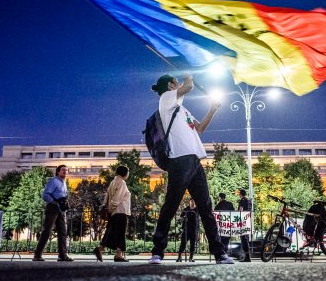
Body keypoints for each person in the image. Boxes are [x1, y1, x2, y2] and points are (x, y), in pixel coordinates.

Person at [148, 74, 233, 265]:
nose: (179, 83)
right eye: (176, 81)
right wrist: (189, 77)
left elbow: (200, 128)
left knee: (206, 208)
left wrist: (212, 109)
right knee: (170, 205)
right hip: (179, 160)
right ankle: (157, 252)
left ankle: (219, 253)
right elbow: (188, 87)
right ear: (171, 85)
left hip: (194, 161)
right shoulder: (166, 99)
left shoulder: (182, 109)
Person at [33, 165, 73, 262]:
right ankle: (37, 255)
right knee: (47, 231)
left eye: (66, 170)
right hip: (53, 208)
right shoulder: (54, 181)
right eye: (63, 170)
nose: (65, 172)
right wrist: (55, 202)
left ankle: (62, 255)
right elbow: (45, 194)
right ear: (58, 171)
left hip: (61, 210)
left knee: (63, 232)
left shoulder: (64, 182)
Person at [93, 165, 131, 262]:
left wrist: (108, 208)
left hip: (113, 212)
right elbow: (117, 198)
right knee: (121, 233)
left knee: (110, 232)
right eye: (128, 172)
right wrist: (111, 208)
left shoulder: (113, 182)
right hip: (121, 211)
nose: (128, 174)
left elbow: (107, 196)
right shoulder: (122, 182)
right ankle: (118, 255)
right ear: (124, 173)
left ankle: (100, 248)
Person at [237, 188, 252, 262]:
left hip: (243, 221)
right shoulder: (249, 200)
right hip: (247, 220)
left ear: (241, 194)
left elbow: (241, 210)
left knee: (243, 238)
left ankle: (247, 257)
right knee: (246, 238)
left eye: (239, 193)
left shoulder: (243, 200)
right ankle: (247, 256)